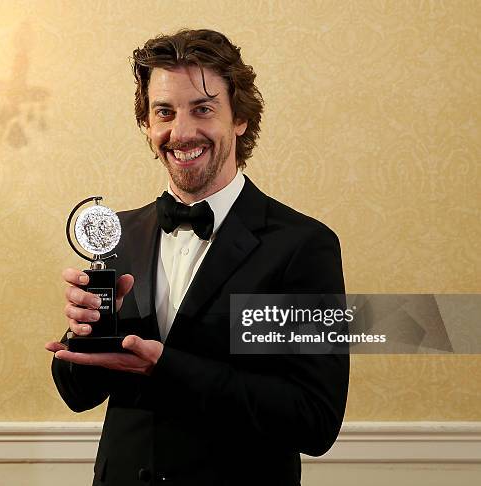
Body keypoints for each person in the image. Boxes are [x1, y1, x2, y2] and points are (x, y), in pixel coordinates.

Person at [45, 29, 349, 486]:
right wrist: (82, 331)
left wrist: (164, 365)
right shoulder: (117, 235)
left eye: (202, 109)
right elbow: (77, 394)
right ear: (147, 124)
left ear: (240, 119)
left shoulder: (301, 246)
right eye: (164, 112)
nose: (181, 131)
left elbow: (313, 420)